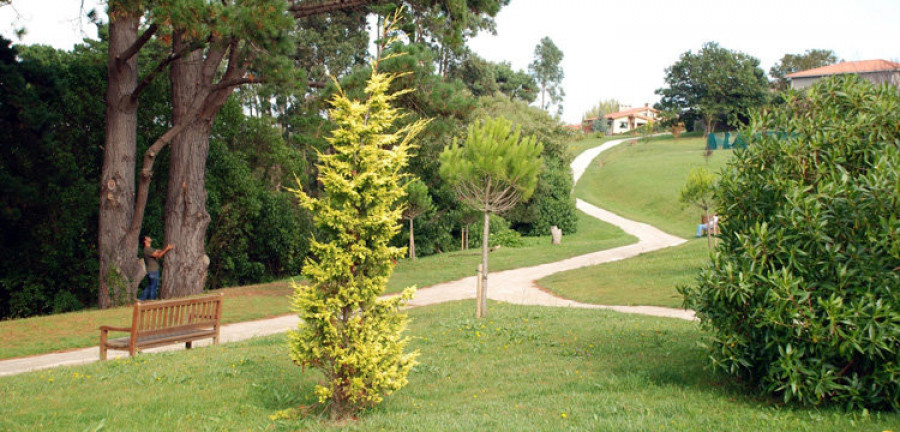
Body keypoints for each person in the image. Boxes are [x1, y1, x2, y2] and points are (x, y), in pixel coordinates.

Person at [139, 235, 174, 301]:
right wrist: (167, 249)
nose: (149, 238)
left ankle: (141, 299)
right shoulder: (147, 249)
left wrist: (166, 248)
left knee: (150, 286)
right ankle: (152, 300)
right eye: (147, 238)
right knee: (153, 287)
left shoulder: (150, 248)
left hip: (152, 270)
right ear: (145, 241)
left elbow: (158, 251)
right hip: (153, 270)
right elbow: (158, 255)